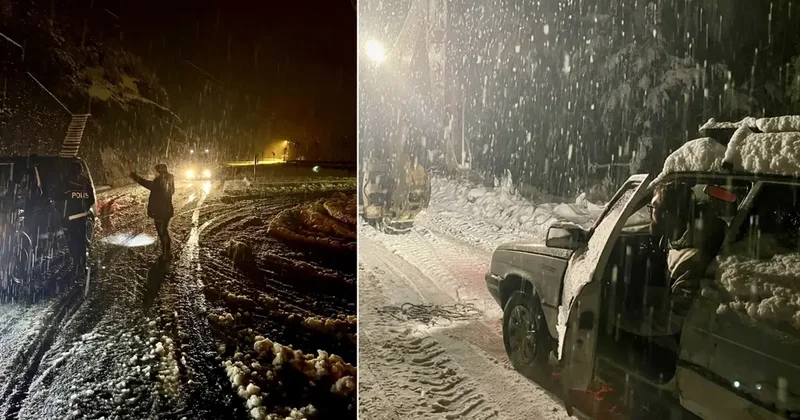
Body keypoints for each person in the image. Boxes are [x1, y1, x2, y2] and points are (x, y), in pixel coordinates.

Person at [648, 181, 728, 332]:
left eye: (653, 207)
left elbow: (676, 321)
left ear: (668, 214)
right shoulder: (677, 237)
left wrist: (621, 319)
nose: (650, 212)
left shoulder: (692, 259)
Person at [130, 163, 175, 260]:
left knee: (162, 233)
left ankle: (166, 254)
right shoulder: (168, 181)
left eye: (155, 171)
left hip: (160, 212)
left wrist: (132, 175)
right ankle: (167, 252)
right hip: (166, 211)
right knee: (164, 232)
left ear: (159, 172)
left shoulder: (159, 182)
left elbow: (144, 183)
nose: (154, 173)